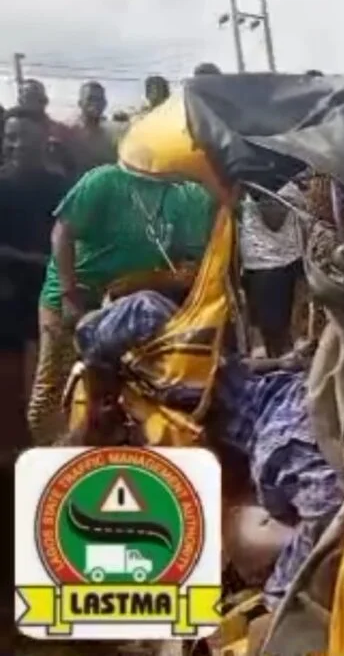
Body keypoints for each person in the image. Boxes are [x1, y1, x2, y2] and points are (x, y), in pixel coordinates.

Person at [73, 289, 344, 649]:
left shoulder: (280, 442)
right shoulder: (268, 392)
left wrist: (277, 603)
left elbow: (331, 509)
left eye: (143, 431)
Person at [27, 164, 216, 445]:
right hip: (76, 297)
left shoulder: (191, 196)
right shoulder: (104, 180)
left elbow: (193, 262)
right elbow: (62, 233)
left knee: (120, 398)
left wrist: (161, 279)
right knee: (49, 401)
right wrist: (69, 296)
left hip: (130, 309)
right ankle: (57, 460)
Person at [0, 108, 70, 462]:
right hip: (8, 291)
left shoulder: (62, 187)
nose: (16, 145)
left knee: (50, 375)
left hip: (54, 292)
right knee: (9, 378)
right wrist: (35, 260)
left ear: (44, 140)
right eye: (10, 137)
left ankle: (46, 450)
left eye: (24, 137)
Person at [240, 183, 306, 357]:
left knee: (264, 320)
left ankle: (266, 349)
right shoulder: (290, 188)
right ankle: (287, 347)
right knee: (283, 320)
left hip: (262, 260)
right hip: (282, 258)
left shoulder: (248, 186)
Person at [67, 82, 118, 177]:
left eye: (99, 99)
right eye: (90, 99)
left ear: (105, 103)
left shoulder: (113, 134)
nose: (95, 103)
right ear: (80, 103)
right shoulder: (69, 132)